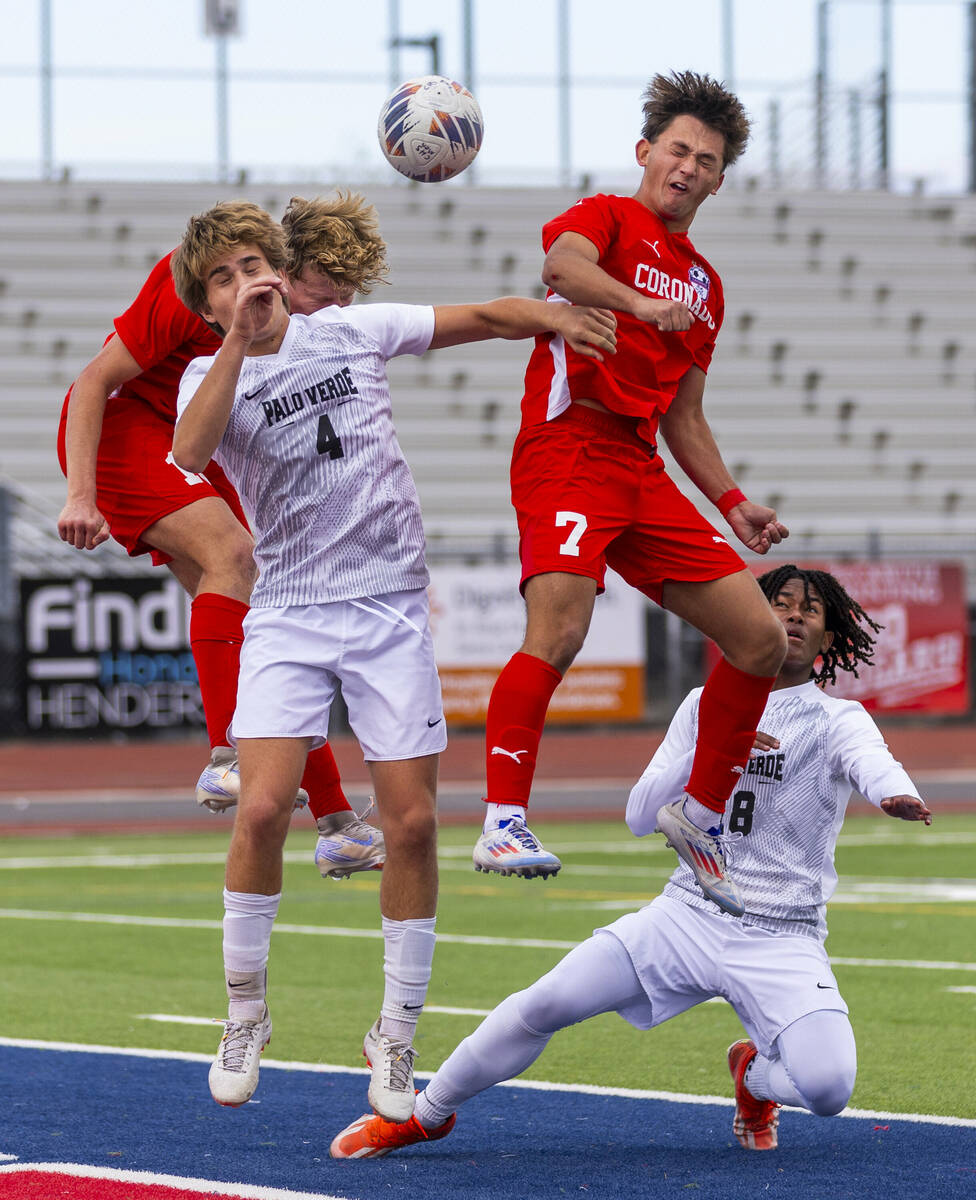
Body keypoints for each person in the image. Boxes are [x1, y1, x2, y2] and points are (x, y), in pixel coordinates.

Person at [169, 201, 617, 1118]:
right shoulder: (203, 377)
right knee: (258, 809)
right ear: (207, 302)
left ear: (280, 266)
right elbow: (189, 451)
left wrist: (559, 317)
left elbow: (484, 317)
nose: (244, 280)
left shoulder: (350, 329)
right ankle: (245, 1013)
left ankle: (397, 1035)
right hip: (289, 612)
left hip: (388, 608)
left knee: (410, 826)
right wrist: (237, 346)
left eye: (253, 262)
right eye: (222, 276)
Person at [329, 563, 932, 1159]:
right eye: (780, 603)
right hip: (688, 914)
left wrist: (895, 793)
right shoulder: (702, 705)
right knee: (546, 1002)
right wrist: (712, 744)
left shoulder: (838, 718)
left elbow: (872, 762)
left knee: (829, 1089)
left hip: (781, 932)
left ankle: (751, 1077)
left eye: (811, 608)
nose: (794, 615)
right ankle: (424, 1116)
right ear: (749, 617)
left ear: (829, 637)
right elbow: (641, 815)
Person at [473, 70, 789, 912]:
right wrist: (638, 302)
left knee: (761, 639)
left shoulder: (709, 289)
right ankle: (503, 819)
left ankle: (698, 811)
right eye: (678, 149)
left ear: (720, 180)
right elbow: (562, 267)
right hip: (567, 446)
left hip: (641, 468)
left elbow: (685, 414)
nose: (688, 166)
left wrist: (731, 501)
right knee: (564, 629)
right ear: (646, 152)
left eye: (707, 159)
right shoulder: (607, 216)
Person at [55, 193, 391, 880]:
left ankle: (336, 824)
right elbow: (94, 383)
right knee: (234, 557)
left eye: (347, 298)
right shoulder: (196, 283)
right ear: (288, 268)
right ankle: (224, 758)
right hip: (128, 435)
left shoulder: (296, 319)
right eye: (327, 293)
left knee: (270, 622)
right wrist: (81, 497)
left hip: (195, 442)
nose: (333, 311)